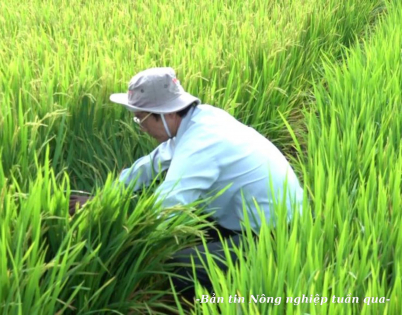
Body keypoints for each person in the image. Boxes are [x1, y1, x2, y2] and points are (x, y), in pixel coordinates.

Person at [69, 67, 304, 303]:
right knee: (188, 231)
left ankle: (227, 302)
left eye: (141, 118)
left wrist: (110, 219)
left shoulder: (201, 144)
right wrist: (105, 197)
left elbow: (165, 209)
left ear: (164, 114)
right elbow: (152, 163)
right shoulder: (200, 119)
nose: (140, 127)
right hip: (254, 217)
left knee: (172, 265)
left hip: (277, 236)